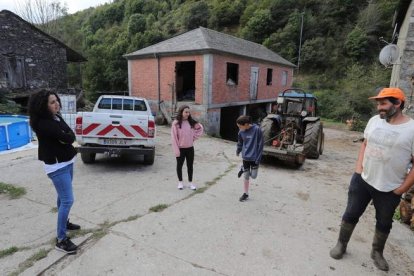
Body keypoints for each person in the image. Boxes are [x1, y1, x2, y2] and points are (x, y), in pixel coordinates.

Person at [329, 87, 414, 271]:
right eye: (378, 104)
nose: (379, 108)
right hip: (363, 180)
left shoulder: (412, 129)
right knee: (351, 214)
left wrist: (402, 189)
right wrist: (358, 167)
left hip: (390, 187)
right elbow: (365, 143)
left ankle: (377, 252)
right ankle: (341, 244)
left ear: (398, 103)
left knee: (384, 222)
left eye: (383, 103)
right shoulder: (374, 121)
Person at [28, 89, 81, 254]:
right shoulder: (43, 123)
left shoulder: (56, 117)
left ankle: (64, 223)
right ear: (43, 106)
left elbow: (69, 134)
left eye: (56, 100)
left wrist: (66, 135)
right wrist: (66, 135)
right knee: (67, 200)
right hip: (57, 167)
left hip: (67, 162)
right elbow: (68, 137)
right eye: (52, 102)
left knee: (62, 198)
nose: (57, 103)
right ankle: (61, 240)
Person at [171, 105, 204, 190]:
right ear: (181, 112)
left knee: (190, 166)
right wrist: (176, 151)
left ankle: (190, 183)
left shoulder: (191, 122)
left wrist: (193, 137)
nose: (187, 114)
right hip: (180, 149)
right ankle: (180, 182)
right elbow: (174, 138)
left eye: (188, 112)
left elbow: (200, 128)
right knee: (179, 166)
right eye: (186, 112)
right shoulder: (176, 123)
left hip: (190, 148)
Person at [236, 115, 264, 202]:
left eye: (241, 126)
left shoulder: (257, 130)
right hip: (245, 157)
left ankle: (243, 168)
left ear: (247, 124)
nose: (240, 128)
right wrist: (238, 150)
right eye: (238, 127)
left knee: (254, 176)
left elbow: (261, 145)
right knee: (246, 176)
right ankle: (245, 194)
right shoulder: (241, 132)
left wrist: (258, 158)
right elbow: (240, 142)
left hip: (255, 158)